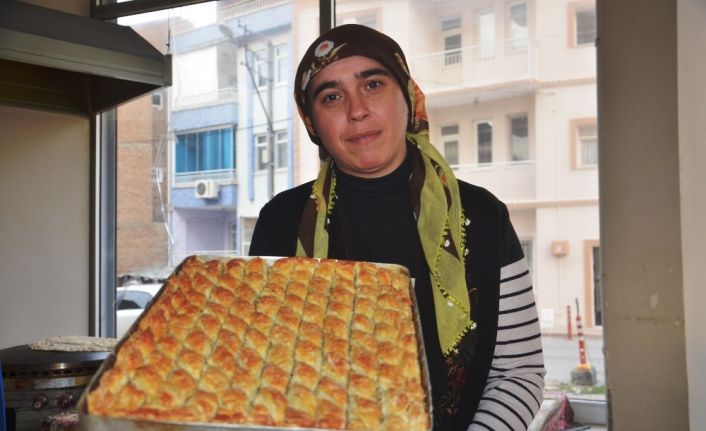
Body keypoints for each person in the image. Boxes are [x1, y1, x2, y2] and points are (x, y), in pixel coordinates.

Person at [249, 24, 545, 430]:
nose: (357, 110)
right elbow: (264, 370)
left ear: (408, 96)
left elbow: (519, 372)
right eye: (332, 96)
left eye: (373, 84)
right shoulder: (281, 221)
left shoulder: (482, 215)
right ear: (312, 122)